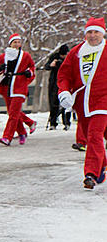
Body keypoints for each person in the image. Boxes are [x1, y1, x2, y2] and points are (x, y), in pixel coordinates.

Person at [56, 17, 107, 189]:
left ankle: (90, 174)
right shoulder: (76, 52)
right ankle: (101, 166)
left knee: (94, 134)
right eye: (89, 32)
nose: (93, 36)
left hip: (103, 101)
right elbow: (64, 75)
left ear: (103, 33)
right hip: (82, 103)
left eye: (96, 32)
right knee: (94, 136)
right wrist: (63, 91)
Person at [0, 33, 37, 146]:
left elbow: (32, 67)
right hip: (7, 86)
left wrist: (29, 72)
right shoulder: (4, 56)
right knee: (13, 112)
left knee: (13, 113)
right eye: (14, 42)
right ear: (10, 43)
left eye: (18, 42)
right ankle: (23, 131)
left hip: (19, 86)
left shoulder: (25, 56)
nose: (17, 44)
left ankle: (7, 137)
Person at [43, 44, 72, 130]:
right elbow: (46, 66)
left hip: (66, 82)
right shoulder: (54, 57)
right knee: (53, 103)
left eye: (65, 55)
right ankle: (53, 123)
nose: (63, 57)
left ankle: (67, 122)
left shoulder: (70, 58)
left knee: (66, 103)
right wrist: (51, 64)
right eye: (62, 55)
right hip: (54, 82)